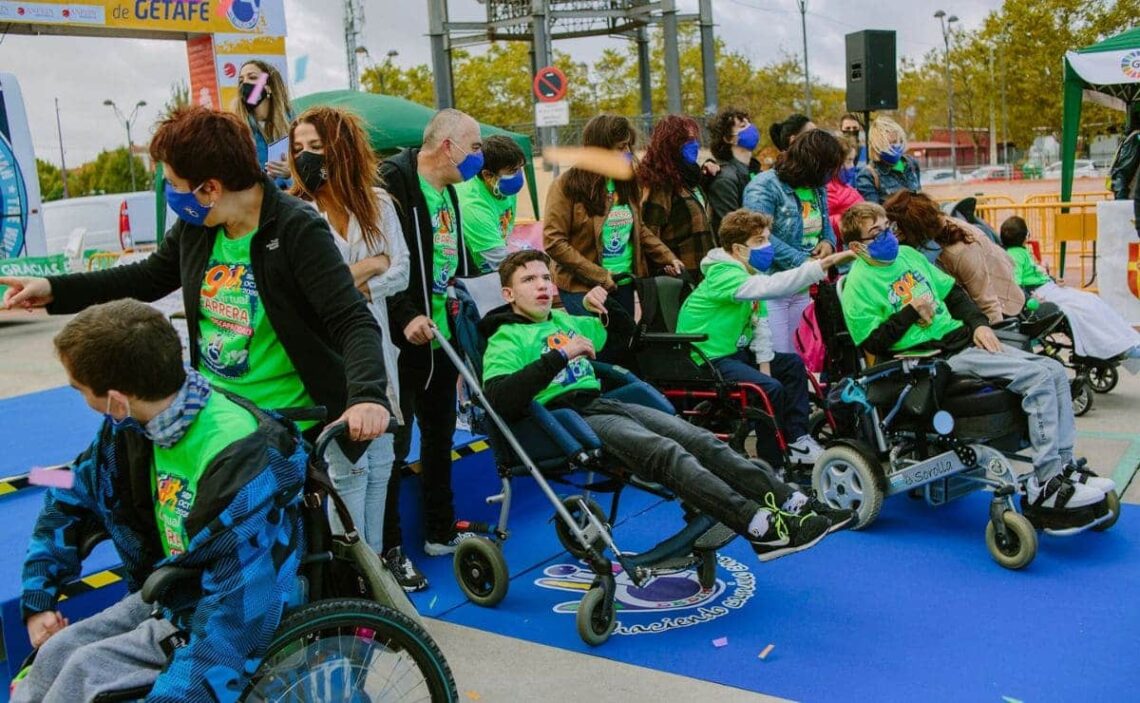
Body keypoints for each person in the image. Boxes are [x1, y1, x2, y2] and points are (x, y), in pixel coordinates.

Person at [0, 105, 391, 457]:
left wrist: (367, 397)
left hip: (287, 431)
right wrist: (54, 290)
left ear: (211, 188)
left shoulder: (295, 229)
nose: (171, 193)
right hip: (217, 419)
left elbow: (352, 321)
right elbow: (148, 277)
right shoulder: (198, 226)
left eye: (174, 182)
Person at [11, 300, 305, 702]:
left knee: (81, 673)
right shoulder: (130, 423)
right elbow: (66, 485)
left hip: (224, 609)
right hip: (171, 592)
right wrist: (39, 597)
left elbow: (236, 619)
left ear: (116, 398)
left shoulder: (242, 460)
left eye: (80, 390)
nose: (81, 399)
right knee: (55, 653)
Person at [482, 250, 854, 562]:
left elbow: (625, 339)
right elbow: (499, 398)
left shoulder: (564, 319)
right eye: (529, 280)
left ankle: (794, 503)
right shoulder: (505, 338)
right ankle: (759, 526)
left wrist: (608, 305)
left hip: (601, 403)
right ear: (509, 294)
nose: (543, 285)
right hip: (564, 420)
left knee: (702, 441)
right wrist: (559, 356)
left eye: (546, 277)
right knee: (666, 452)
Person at [837, 202, 1115, 531]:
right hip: (930, 357)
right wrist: (911, 311)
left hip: (961, 340)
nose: (887, 235)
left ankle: (1065, 467)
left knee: (1053, 370)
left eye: (887, 227)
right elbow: (873, 342)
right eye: (876, 232)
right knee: (1039, 377)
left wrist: (979, 323)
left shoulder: (908, 256)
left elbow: (953, 293)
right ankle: (1046, 483)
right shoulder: (857, 284)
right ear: (856, 246)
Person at [289, 106, 410, 554]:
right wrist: (367, 267)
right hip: (330, 353)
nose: (306, 157)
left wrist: (348, 279)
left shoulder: (378, 202)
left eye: (316, 148)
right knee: (345, 466)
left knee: (381, 459)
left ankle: (377, 569)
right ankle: (353, 571)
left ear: (341, 149)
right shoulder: (298, 214)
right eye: (298, 149)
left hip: (376, 342)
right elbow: (312, 293)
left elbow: (400, 271)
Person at [379, 108, 483, 591]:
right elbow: (386, 262)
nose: (478, 157)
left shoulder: (450, 192)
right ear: (448, 146)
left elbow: (451, 256)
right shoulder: (394, 182)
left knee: (440, 436)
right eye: (475, 146)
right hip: (403, 340)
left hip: (442, 333)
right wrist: (405, 317)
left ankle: (440, 531)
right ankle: (388, 552)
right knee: (396, 447)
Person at [675, 210, 856, 467]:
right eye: (759, 241)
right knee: (769, 388)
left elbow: (760, 326)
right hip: (707, 358)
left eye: (767, 239)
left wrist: (765, 365)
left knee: (792, 365)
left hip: (735, 353)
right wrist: (825, 263)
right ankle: (773, 462)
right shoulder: (723, 275)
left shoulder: (749, 274)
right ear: (738, 249)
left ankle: (798, 440)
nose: (768, 247)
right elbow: (774, 287)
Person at [543, 114, 682, 326]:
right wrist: (600, 275)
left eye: (628, 146)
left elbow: (639, 229)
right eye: (620, 147)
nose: (627, 153)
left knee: (622, 347)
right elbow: (554, 242)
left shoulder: (625, 182)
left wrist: (667, 257)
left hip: (622, 284)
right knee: (597, 347)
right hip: (581, 289)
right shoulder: (565, 186)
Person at [742, 129, 844, 353]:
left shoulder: (817, 186)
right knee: (780, 354)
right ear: (813, 163)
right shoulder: (764, 187)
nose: (831, 174)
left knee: (801, 353)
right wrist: (805, 262)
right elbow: (761, 237)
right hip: (773, 284)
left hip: (804, 285)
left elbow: (825, 222)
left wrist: (828, 242)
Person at [999, 216, 1140, 367]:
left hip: (1047, 287)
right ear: (1025, 236)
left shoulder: (1020, 252)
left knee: (1092, 301)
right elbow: (1015, 283)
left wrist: (1052, 279)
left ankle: (1126, 342)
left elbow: (1032, 275)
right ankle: (1118, 345)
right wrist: (1029, 300)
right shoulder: (1015, 255)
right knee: (1085, 308)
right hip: (1041, 293)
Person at [886, 190, 1024, 324]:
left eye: (899, 230)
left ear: (915, 229)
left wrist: (992, 336)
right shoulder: (933, 230)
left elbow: (988, 304)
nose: (895, 235)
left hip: (1002, 303)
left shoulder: (961, 250)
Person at [638, 115, 716, 277]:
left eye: (694, 138)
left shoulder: (692, 179)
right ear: (671, 144)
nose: (694, 144)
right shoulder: (660, 185)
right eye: (687, 140)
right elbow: (649, 235)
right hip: (679, 277)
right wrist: (666, 263)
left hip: (704, 276)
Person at [455, 135, 527, 272]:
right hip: (472, 273)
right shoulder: (473, 207)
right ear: (488, 175)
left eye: (520, 168)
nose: (518, 175)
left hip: (493, 261)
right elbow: (502, 262)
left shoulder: (504, 189)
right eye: (512, 171)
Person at [231, 60, 294, 185]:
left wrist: (291, 173)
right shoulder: (235, 129)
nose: (245, 84)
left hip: (290, 199)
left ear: (268, 87)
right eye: (241, 81)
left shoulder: (293, 125)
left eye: (252, 77)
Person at [706, 107, 763, 234]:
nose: (751, 128)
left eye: (749, 123)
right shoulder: (724, 179)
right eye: (743, 125)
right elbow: (733, 228)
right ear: (729, 138)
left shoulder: (756, 172)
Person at [854, 116, 921, 204]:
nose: (897, 145)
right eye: (892, 143)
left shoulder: (911, 163)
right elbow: (875, 214)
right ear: (877, 145)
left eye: (900, 141)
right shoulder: (868, 176)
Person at [827, 138, 863, 241]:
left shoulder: (844, 185)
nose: (852, 166)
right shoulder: (828, 189)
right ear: (837, 162)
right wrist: (845, 221)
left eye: (853, 160)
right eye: (849, 160)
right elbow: (821, 222)